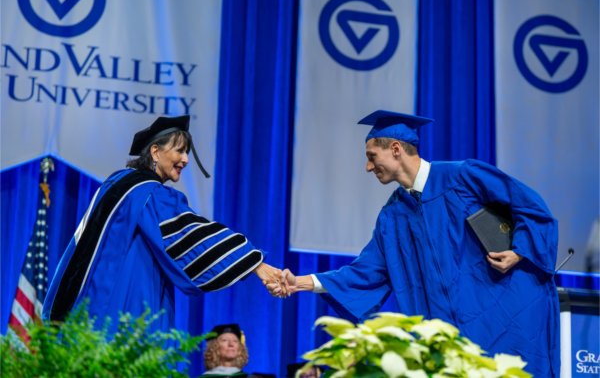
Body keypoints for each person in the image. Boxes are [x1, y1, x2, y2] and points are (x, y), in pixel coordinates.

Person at [271, 110, 560, 377]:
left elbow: (532, 208)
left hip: (505, 311)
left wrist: (519, 252)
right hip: (451, 333)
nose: (368, 166)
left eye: (372, 156)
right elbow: (367, 272)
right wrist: (300, 282)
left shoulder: (462, 176)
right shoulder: (392, 217)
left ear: (395, 149)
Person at [43, 115, 285, 333]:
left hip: (92, 299)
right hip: (129, 298)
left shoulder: (117, 182)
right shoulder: (149, 193)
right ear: (156, 152)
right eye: (180, 151)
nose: (186, 159)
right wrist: (255, 263)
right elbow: (190, 233)